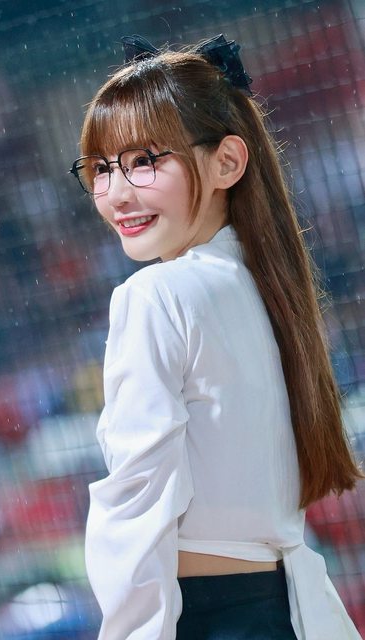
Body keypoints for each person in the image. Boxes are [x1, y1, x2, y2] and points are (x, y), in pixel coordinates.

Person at [69, 34, 363, 640]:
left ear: (227, 162)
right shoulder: (269, 288)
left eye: (144, 160)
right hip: (284, 612)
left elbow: (137, 504)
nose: (116, 194)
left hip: (206, 617)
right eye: (100, 168)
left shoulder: (155, 296)